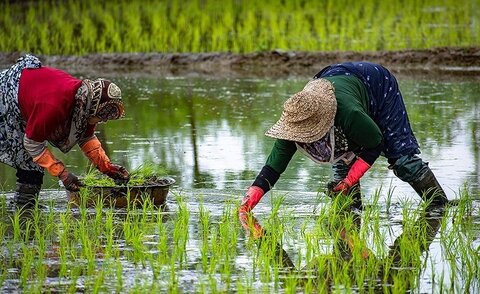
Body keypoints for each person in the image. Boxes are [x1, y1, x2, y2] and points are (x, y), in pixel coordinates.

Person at [239, 61, 448, 213]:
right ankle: (354, 215)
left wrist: (349, 181)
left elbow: (375, 143)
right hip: (332, 80)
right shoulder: (296, 119)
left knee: (403, 161)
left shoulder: (350, 114)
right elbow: (273, 167)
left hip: (376, 85)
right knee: (345, 202)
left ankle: (440, 206)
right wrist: (250, 199)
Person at [0, 54, 130, 208]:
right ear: (93, 107)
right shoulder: (54, 106)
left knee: (32, 165)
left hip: (27, 98)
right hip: (8, 98)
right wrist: (63, 174)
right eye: (103, 114)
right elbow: (32, 144)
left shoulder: (83, 102)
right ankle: (23, 207)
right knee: (29, 160)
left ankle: (25, 207)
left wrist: (108, 168)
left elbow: (87, 138)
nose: (105, 120)